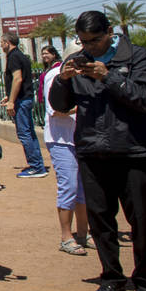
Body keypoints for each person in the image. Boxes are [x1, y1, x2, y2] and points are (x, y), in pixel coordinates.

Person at [49, 10, 146, 291]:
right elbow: (60, 106)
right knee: (101, 222)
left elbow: (144, 99)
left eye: (94, 41)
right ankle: (112, 277)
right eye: (83, 42)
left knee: (141, 223)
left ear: (110, 32)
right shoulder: (77, 62)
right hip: (92, 153)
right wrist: (62, 80)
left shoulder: (139, 58)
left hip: (133, 152)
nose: (89, 47)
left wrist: (108, 76)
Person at [39, 45, 89, 256]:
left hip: (80, 139)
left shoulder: (85, 75)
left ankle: (83, 234)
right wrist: (87, 105)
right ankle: (66, 236)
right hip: (61, 139)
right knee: (68, 186)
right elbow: (57, 110)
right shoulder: (54, 75)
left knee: (83, 189)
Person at [0, 32, 47, 178]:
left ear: (7, 43)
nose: (1, 46)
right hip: (25, 98)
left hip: (21, 101)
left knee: (24, 134)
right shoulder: (21, 56)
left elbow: (18, 79)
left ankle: (36, 167)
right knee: (30, 133)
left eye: (1, 42)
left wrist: (12, 101)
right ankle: (37, 164)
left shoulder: (13, 57)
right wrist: (9, 95)